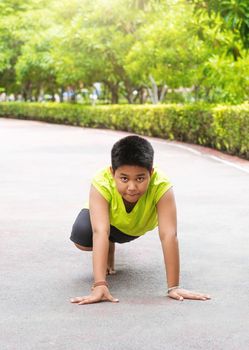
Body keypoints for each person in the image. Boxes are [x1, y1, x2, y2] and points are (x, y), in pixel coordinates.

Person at [70, 135, 211, 305]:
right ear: (112, 173)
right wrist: (100, 284)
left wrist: (174, 287)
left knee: (109, 232)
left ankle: (110, 244)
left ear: (151, 173)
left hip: (135, 227)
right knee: (82, 235)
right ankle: (108, 247)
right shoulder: (101, 182)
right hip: (105, 224)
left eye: (140, 179)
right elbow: (100, 231)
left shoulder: (161, 185)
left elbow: (169, 235)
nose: (132, 187)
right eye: (124, 178)